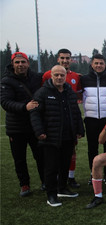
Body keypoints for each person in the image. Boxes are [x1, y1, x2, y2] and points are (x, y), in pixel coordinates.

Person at [30, 65, 85, 207]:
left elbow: (76, 112)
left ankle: (62, 188)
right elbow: (35, 114)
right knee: (51, 167)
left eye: (62, 75)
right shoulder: (42, 92)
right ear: (51, 76)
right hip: (50, 137)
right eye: (56, 75)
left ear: (66, 76)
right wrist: (39, 131)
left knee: (65, 164)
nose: (59, 77)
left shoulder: (69, 92)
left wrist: (80, 129)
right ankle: (51, 195)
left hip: (68, 136)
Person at [1, 52, 45, 197]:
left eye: (23, 62)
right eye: (17, 62)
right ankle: (24, 184)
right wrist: (24, 107)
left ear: (28, 63)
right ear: (13, 64)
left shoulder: (36, 77)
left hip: (35, 125)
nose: (20, 65)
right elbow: (5, 102)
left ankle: (45, 181)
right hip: (16, 127)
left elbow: (50, 75)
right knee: (19, 158)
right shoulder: (6, 81)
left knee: (40, 155)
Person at [42, 48, 82, 188]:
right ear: (58, 59)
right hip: (53, 120)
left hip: (69, 119)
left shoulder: (76, 76)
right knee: (53, 154)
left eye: (67, 58)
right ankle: (54, 181)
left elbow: (78, 97)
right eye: (62, 58)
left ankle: (69, 178)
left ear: (71, 60)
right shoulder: (47, 74)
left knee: (71, 150)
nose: (65, 61)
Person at [81, 54, 106, 185]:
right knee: (92, 148)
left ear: (105, 65)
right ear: (92, 64)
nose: (98, 65)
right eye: (96, 63)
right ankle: (94, 174)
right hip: (91, 119)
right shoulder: (84, 79)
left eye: (101, 63)